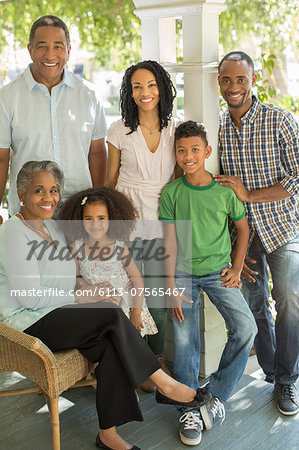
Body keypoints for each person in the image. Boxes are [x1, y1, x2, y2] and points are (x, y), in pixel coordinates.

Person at [0, 160, 210, 450]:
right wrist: (85, 297)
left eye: (53, 190)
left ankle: (107, 435)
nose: (48, 198)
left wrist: (87, 287)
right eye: (39, 191)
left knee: (112, 343)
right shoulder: (14, 232)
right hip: (29, 321)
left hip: (60, 313)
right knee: (110, 312)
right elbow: (28, 296)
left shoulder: (53, 227)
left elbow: (73, 272)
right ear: (21, 194)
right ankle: (162, 381)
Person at [159, 121, 257, 446]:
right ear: (175, 154)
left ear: (207, 152)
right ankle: (188, 408)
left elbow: (242, 229)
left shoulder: (224, 191)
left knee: (246, 328)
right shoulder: (171, 193)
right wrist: (171, 285)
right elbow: (169, 243)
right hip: (183, 275)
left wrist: (237, 267)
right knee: (185, 343)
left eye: (195, 150)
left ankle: (213, 397)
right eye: (182, 150)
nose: (188, 156)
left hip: (219, 272)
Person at [215, 51, 299, 416]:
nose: (234, 87)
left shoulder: (280, 120)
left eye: (241, 80)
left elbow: (296, 177)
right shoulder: (216, 126)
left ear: (252, 81)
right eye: (226, 79)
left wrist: (250, 194)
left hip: (282, 227)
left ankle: (287, 380)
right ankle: (271, 372)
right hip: (244, 235)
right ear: (219, 82)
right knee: (255, 305)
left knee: (290, 301)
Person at [105, 60, 182, 391]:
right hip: (126, 220)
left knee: (160, 303)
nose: (144, 92)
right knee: (128, 297)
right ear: (129, 91)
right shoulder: (118, 130)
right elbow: (109, 182)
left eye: (151, 85)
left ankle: (154, 365)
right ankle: (132, 366)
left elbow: (179, 182)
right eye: (137, 86)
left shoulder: (176, 130)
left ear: (162, 87)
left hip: (161, 220)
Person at [0, 15, 107, 220]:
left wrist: (99, 202)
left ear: (68, 50)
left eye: (58, 46)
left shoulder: (90, 96)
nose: (50, 55)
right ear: (30, 50)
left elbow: (97, 153)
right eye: (42, 46)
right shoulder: (6, 98)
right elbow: (1, 159)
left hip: (79, 212)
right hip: (29, 214)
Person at [58, 186, 157, 337]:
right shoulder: (76, 248)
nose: (95, 224)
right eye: (88, 219)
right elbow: (75, 278)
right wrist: (86, 286)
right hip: (96, 306)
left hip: (126, 307)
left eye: (101, 218)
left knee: (130, 345)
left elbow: (137, 282)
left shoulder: (120, 248)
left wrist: (136, 313)